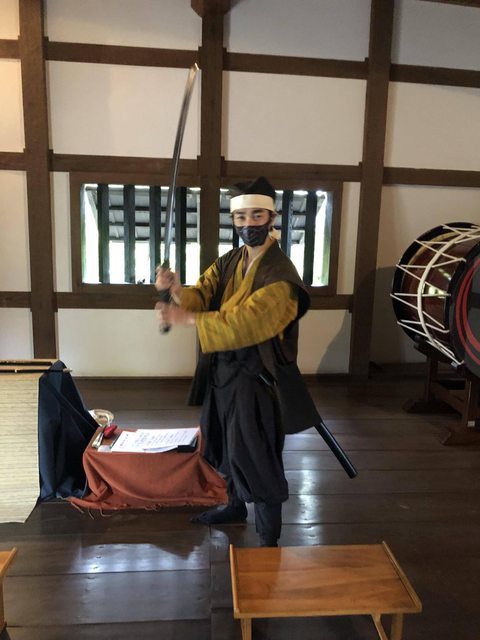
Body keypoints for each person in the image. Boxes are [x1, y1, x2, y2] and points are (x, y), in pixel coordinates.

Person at [155, 176, 317, 547]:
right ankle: (233, 506)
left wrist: (187, 319)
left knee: (255, 452)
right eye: (241, 217)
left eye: (256, 215)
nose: (248, 224)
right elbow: (204, 293)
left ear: (272, 217)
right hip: (224, 371)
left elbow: (248, 323)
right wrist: (177, 289)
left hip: (257, 377)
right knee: (223, 441)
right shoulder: (231, 260)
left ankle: (268, 537)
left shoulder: (281, 276)